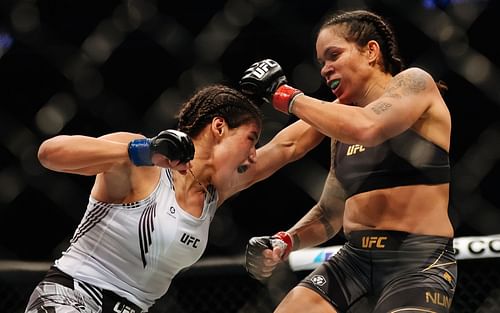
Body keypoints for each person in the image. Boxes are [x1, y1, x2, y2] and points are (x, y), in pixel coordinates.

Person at [239, 9, 457, 313]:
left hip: (416, 259)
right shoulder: (340, 126)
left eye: (333, 55)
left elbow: (369, 126)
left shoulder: (415, 84)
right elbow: (329, 213)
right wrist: (285, 241)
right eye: (321, 63)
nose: (325, 69)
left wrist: (285, 95)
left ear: (371, 51)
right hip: (353, 260)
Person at [24, 83, 293, 313]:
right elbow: (49, 153)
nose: (254, 154)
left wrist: (294, 98)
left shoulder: (214, 193)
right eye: (251, 139)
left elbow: (288, 146)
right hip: (73, 295)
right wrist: (143, 151)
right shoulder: (142, 161)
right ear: (219, 127)